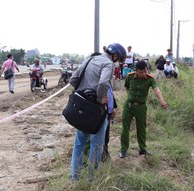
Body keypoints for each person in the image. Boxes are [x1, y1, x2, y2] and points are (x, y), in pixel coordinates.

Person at [69, 43, 126, 180]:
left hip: (82, 107)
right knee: (96, 144)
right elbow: (102, 83)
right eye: (118, 60)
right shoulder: (108, 64)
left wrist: (84, 93)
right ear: (115, 56)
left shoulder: (90, 58)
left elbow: (73, 79)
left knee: (79, 143)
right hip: (96, 109)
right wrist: (99, 99)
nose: (117, 63)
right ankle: (91, 178)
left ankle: (75, 177)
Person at [119, 60, 169, 158]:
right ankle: (123, 149)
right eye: (141, 72)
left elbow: (156, 89)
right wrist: (131, 97)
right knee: (125, 128)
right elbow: (127, 88)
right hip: (129, 106)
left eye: (145, 71)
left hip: (141, 107)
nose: (143, 74)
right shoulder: (129, 76)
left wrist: (162, 100)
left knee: (141, 128)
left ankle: (142, 149)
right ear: (136, 71)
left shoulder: (150, 79)